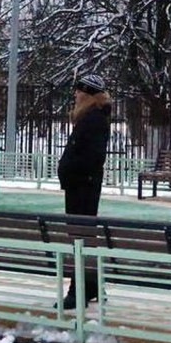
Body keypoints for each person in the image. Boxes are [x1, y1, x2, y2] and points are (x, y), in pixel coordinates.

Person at [56, 73, 112, 309]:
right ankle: (90, 286)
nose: (76, 95)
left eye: (80, 91)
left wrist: (70, 171)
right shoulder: (89, 118)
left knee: (80, 239)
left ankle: (78, 290)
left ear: (89, 95)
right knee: (82, 239)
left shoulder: (94, 120)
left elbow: (93, 158)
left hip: (83, 188)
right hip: (80, 186)